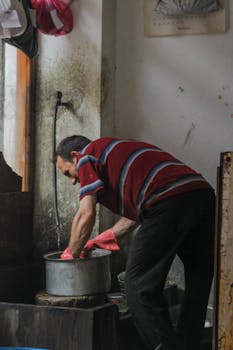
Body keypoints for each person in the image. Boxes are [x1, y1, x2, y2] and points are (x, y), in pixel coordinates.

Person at [55, 135, 215, 350]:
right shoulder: (115, 153)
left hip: (169, 201)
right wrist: (107, 236)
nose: (73, 181)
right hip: (202, 195)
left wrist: (69, 257)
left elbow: (86, 213)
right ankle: (188, 346)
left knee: (138, 286)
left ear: (75, 156)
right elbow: (140, 211)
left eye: (68, 173)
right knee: (198, 279)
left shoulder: (87, 155)